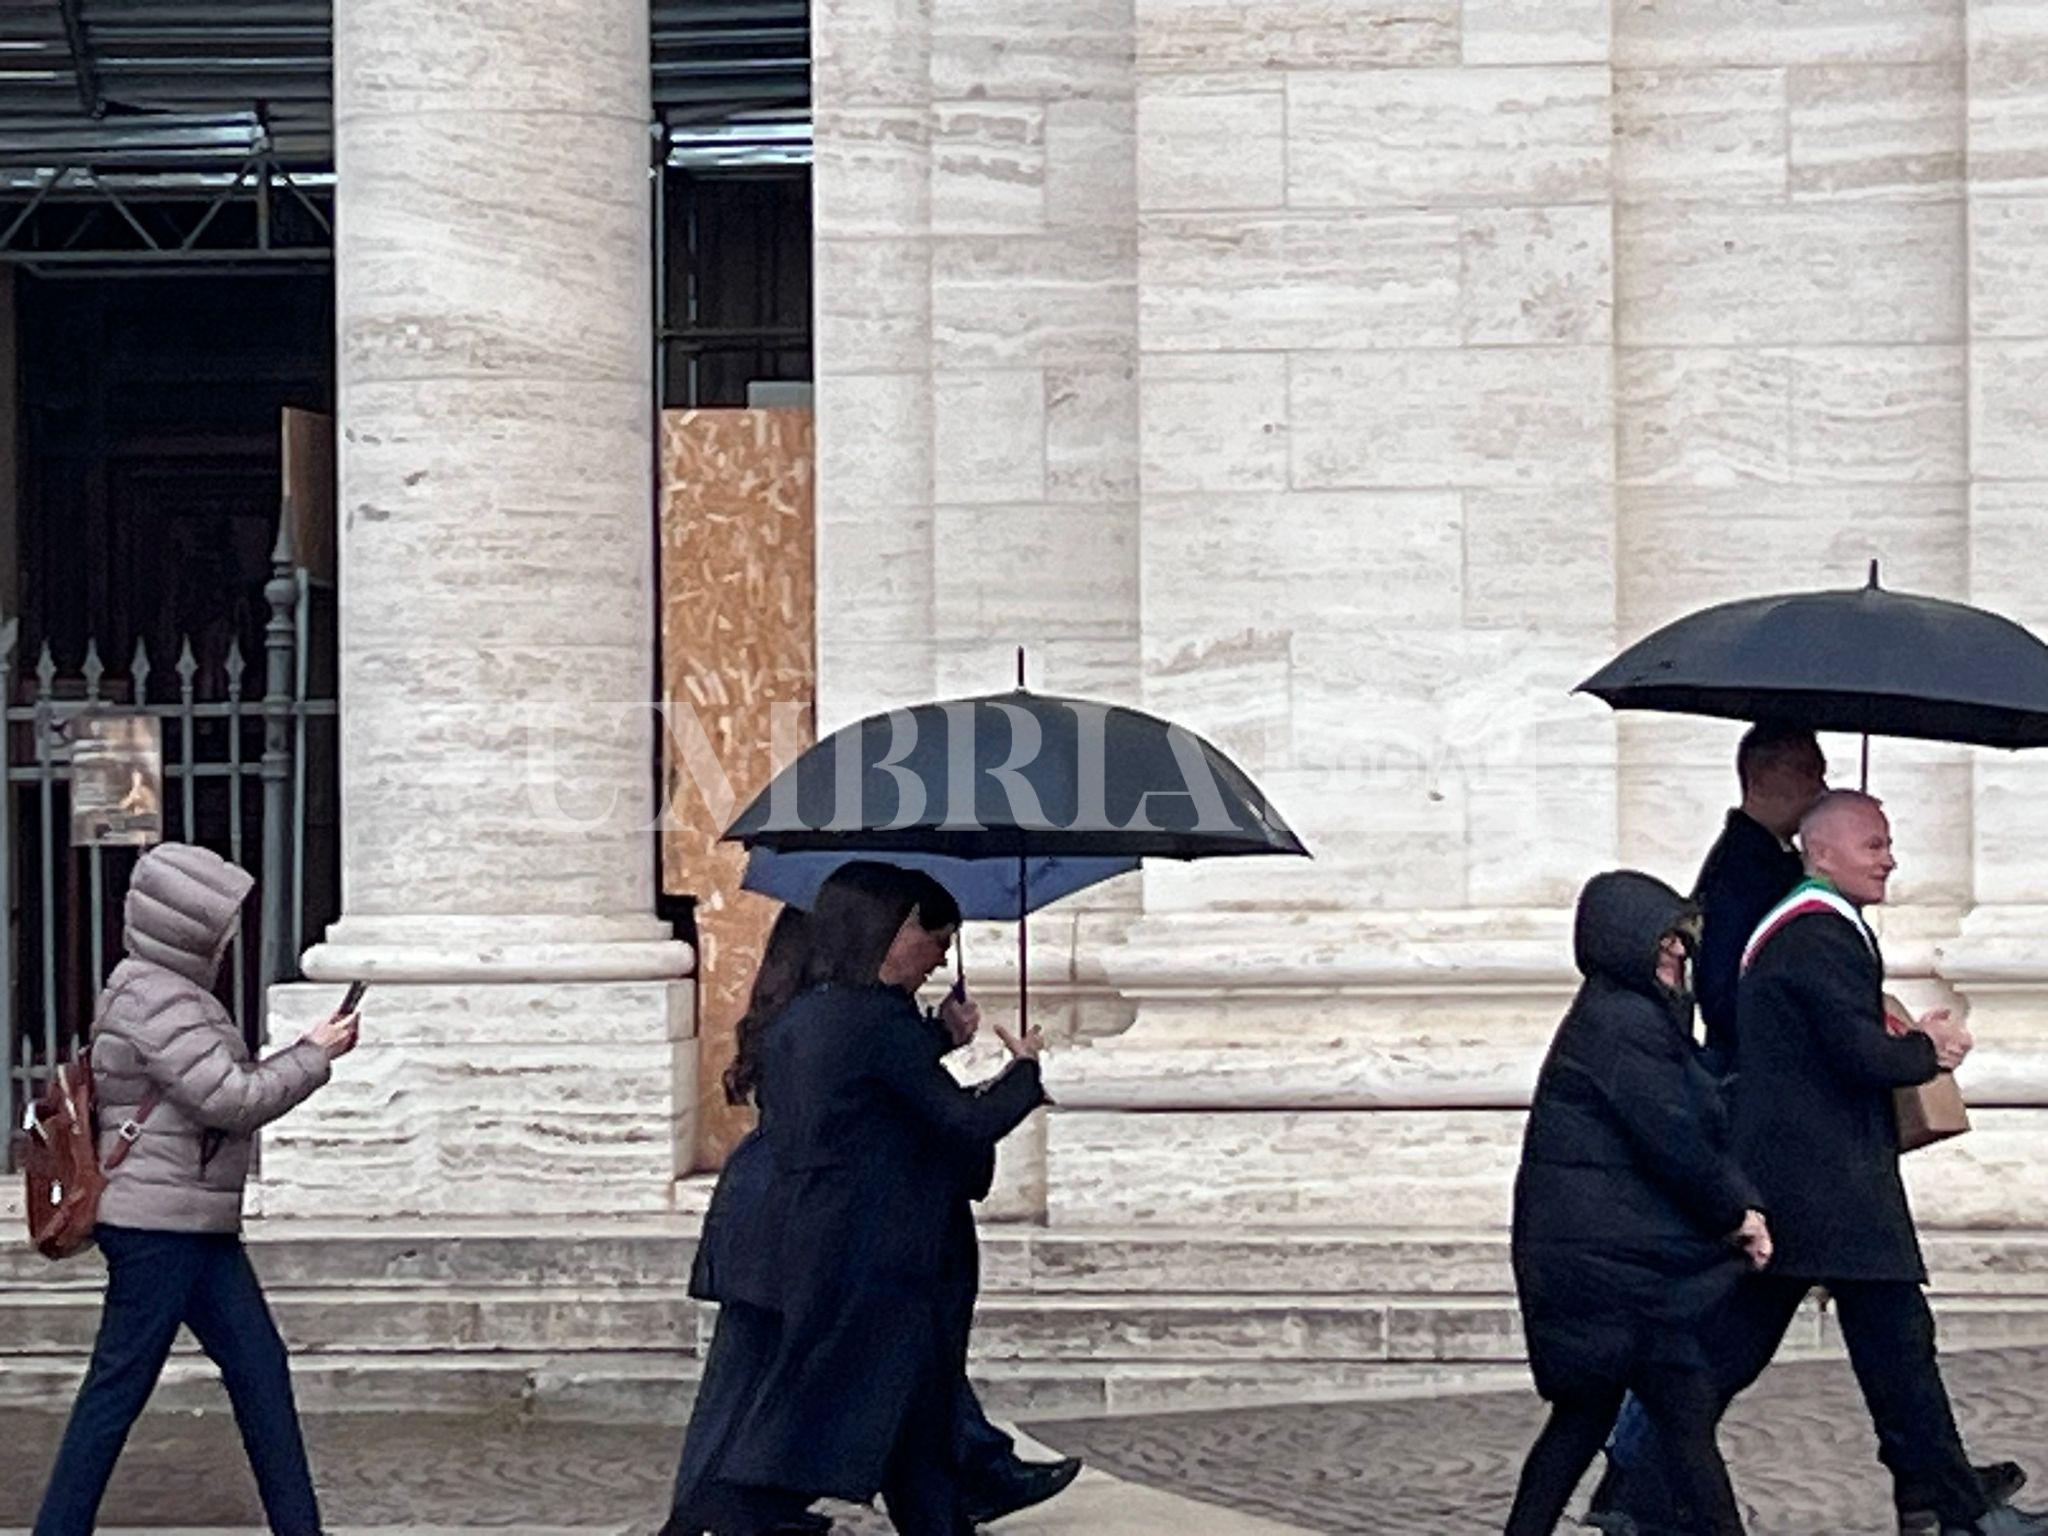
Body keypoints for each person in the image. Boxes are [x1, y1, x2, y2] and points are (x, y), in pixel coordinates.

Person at [1652, 793, 2038, 1536]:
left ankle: (1937, 1496)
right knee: (1825, 1347)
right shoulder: (1818, 933)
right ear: (1820, 852)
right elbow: (1858, 1055)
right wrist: (1929, 1051)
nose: (1889, 858)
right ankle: (1638, 1482)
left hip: (1815, 1181)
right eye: (1874, 845)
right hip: (1825, 1185)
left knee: (1882, 1346)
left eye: (1888, 843)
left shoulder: (1817, 929)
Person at [694, 862, 1049, 1536]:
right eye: (930, 938)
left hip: (833, 1238)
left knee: (913, 1404)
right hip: (873, 1248)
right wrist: (1022, 1074)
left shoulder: (813, 1014)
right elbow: (959, 1119)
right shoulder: (872, 1023)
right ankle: (734, 1510)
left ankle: (937, 1520)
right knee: (832, 1403)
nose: (937, 956)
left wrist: (938, 1040)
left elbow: (874, 1099)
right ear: (887, 934)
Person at [32, 842, 360, 1536]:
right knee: (117, 1390)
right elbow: (231, 1098)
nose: (232, 934)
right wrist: (315, 1055)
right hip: (158, 1226)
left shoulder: (163, 993)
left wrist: (305, 1051)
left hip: (192, 1221)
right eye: (220, 920)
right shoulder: (157, 999)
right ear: (187, 925)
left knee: (259, 1371)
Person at [1505, 870, 1769, 1536]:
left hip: (1608, 1266)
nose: (1679, 951)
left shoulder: (1623, 1015)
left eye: (1680, 938)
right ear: (1625, 943)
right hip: (1620, 1274)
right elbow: (1674, 1137)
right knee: (1678, 1414)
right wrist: (1737, 1214)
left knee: (1596, 1415)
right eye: (1665, 940)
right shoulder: (1625, 1021)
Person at [1690, 725, 1827, 1073]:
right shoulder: (1744, 869)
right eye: (1807, 772)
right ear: (1764, 775)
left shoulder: (1770, 857)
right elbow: (1721, 989)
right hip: (1757, 1067)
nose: (1820, 788)